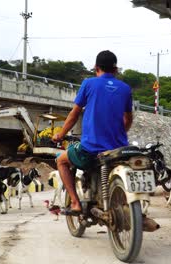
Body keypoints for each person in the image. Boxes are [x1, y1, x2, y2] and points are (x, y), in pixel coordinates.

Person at [52, 50, 133, 215]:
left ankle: (75, 203)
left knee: (61, 160)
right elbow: (128, 119)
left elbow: (74, 114)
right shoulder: (125, 89)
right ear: (115, 69)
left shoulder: (89, 84)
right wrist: (117, 134)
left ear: (96, 68)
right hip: (119, 149)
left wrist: (60, 134)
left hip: (91, 149)